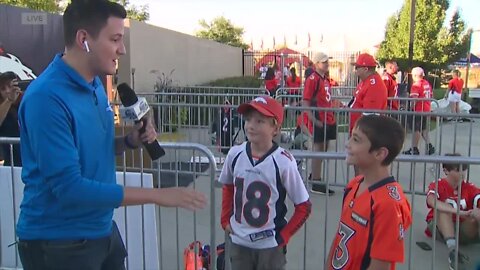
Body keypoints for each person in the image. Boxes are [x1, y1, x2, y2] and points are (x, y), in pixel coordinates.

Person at [16, 1, 207, 269]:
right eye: (115, 39)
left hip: (101, 231)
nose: (123, 49)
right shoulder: (45, 99)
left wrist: (130, 141)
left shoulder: (94, 84)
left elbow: (92, 148)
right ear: (84, 39)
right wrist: (157, 195)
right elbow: (69, 188)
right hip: (59, 243)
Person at [219, 96, 311, 270]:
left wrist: (284, 236)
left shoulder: (283, 161)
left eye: (260, 121)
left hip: (270, 246)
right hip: (239, 242)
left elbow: (304, 206)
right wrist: (225, 220)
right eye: (248, 120)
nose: (251, 126)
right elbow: (228, 187)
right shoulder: (235, 154)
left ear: (275, 128)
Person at [327, 115, 412, 270]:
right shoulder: (355, 184)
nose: (347, 144)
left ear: (380, 154)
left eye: (356, 140)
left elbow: (380, 264)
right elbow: (340, 235)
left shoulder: (388, 204)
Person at [424, 153, 480, 270]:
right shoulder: (438, 185)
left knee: (477, 213)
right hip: (439, 228)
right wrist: (459, 212)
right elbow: (431, 201)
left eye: (464, 169)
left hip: (463, 228)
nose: (462, 173)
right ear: (446, 170)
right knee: (442, 210)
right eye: (458, 169)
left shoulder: (469, 187)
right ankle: (453, 252)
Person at [302, 52, 336, 194]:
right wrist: (313, 119)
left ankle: (315, 176)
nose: (327, 64)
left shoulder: (325, 79)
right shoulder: (313, 79)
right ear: (316, 64)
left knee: (324, 149)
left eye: (327, 61)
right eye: (324, 62)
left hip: (328, 118)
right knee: (318, 148)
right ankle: (316, 181)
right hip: (319, 118)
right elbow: (306, 101)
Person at [349, 53, 387, 175]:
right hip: (358, 131)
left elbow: (370, 116)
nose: (356, 71)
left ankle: (362, 190)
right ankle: (358, 187)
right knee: (357, 163)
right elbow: (355, 102)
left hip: (364, 134)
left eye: (357, 68)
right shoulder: (365, 82)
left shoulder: (374, 84)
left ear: (366, 69)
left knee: (363, 165)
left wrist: (361, 137)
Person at [402, 67, 435, 155]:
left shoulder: (416, 85)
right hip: (426, 108)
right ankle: (430, 146)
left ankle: (414, 148)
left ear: (415, 75)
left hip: (419, 109)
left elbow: (414, 98)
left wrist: (411, 108)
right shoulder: (426, 83)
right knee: (423, 128)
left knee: (416, 129)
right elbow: (432, 95)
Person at [0, 71, 22, 166]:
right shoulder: (3, 108)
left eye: (10, 86)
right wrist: (9, 100)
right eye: (3, 89)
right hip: (12, 164)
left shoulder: (28, 101)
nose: (8, 91)